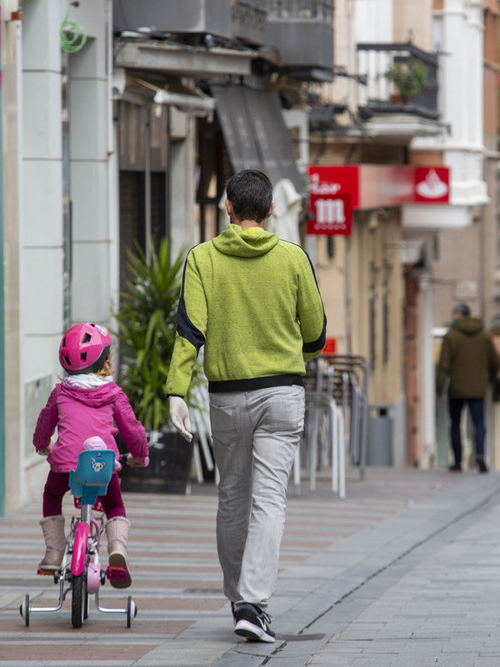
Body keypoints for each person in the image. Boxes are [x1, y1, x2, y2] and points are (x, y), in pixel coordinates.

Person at [163, 169, 327, 643]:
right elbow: (315, 334)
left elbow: (189, 331)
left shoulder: (202, 258)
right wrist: (284, 347)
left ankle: (240, 599)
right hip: (282, 394)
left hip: (228, 397)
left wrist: (177, 391)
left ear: (228, 209)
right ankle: (254, 604)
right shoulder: (294, 258)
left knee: (232, 496)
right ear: (272, 210)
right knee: (269, 497)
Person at [32, 322, 150, 588]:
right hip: (102, 468)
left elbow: (44, 425)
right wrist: (139, 455)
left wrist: (42, 445)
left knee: (51, 495)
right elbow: (132, 429)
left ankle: (53, 551)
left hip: (65, 469)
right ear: (105, 360)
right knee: (114, 506)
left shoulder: (60, 393)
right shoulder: (114, 394)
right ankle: (118, 547)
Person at [436, 304, 500, 472]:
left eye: (454, 314)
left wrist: (440, 388)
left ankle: (457, 461)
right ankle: (480, 454)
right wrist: (490, 380)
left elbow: (444, 365)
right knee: (479, 423)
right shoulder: (485, 336)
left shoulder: (451, 337)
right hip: (478, 388)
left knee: (455, 424)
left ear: (458, 315)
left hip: (456, 389)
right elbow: (495, 362)